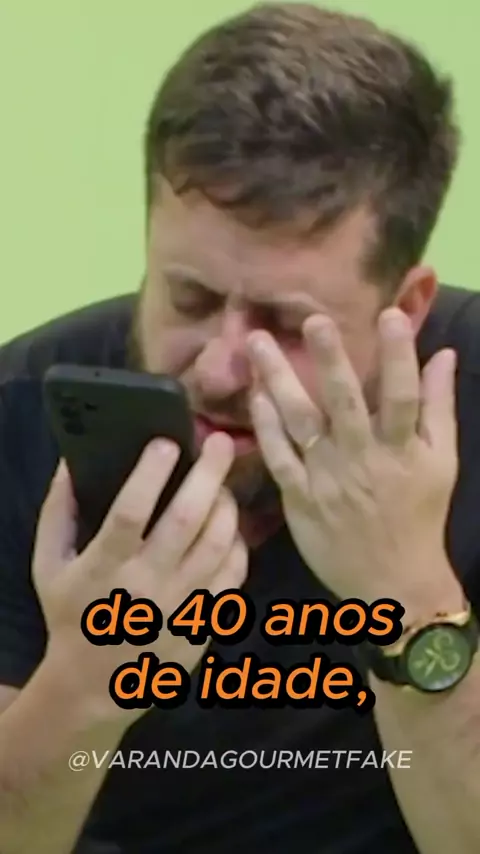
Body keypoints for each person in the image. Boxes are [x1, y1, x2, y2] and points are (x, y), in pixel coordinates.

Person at [0, 3, 479, 852]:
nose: (221, 370)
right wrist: (90, 680)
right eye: (188, 298)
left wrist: (408, 598)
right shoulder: (19, 412)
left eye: (286, 326)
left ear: (405, 307)